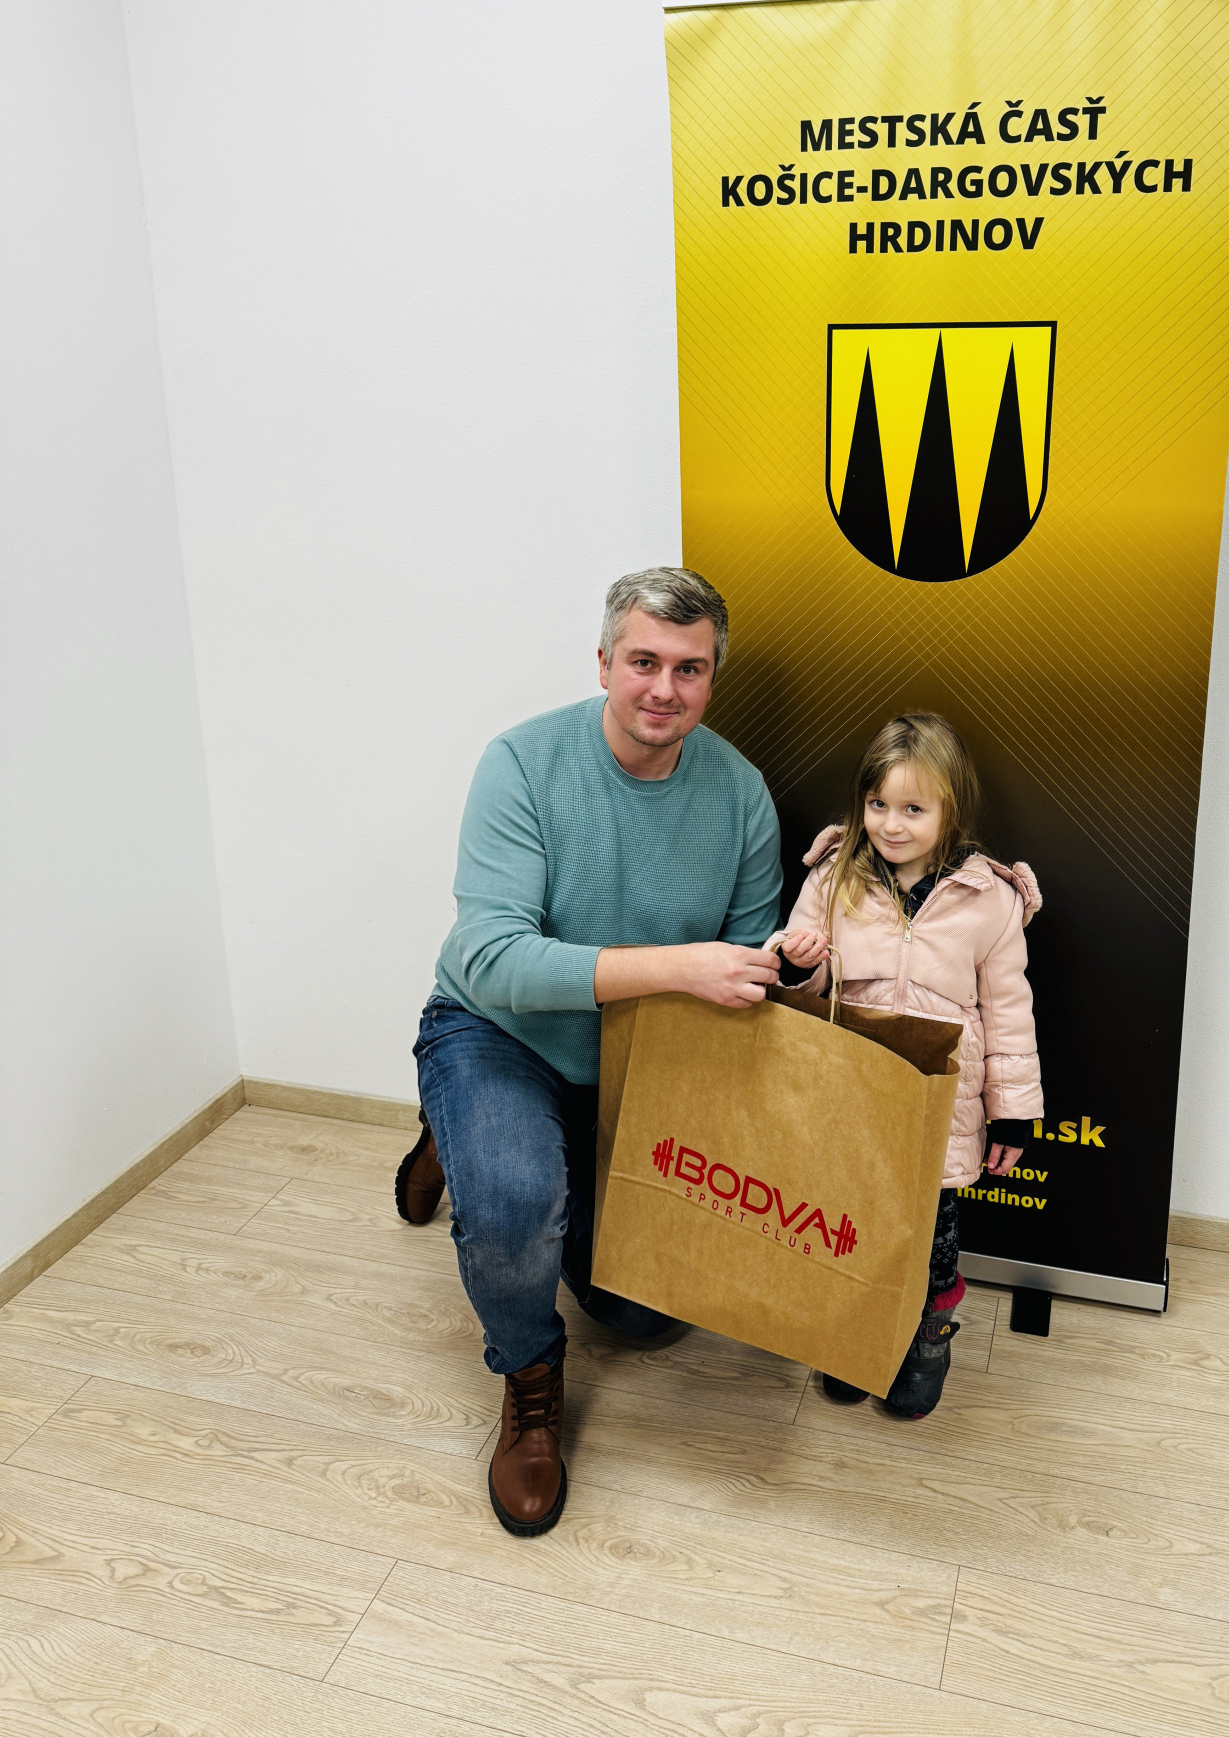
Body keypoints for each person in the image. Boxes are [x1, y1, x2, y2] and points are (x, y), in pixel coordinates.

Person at [394, 567, 781, 1538]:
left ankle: (467, 1142)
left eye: (689, 668)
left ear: (712, 678)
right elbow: (495, 957)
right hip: (498, 1030)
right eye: (643, 661)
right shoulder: (521, 763)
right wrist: (679, 965)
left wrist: (786, 964)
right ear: (603, 662)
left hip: (636, 1063)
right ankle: (528, 1376)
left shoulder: (741, 794)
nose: (664, 688)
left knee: (643, 1318)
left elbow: (743, 970)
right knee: (514, 1204)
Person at [775, 711, 1042, 1417]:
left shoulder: (990, 899)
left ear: (950, 809)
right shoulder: (832, 878)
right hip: (851, 1093)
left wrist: (1013, 1112)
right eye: (878, 804)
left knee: (932, 1233)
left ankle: (928, 1339)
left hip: (938, 1102)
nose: (891, 825)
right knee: (848, 1220)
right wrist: (795, 964)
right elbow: (800, 989)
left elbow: (1009, 1011)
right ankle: (855, 1333)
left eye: (913, 809)